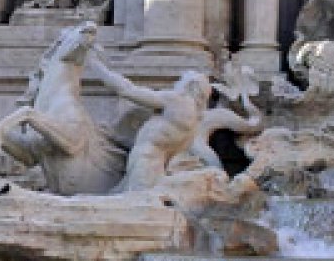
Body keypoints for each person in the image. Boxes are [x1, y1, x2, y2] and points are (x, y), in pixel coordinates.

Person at [88, 58, 259, 192]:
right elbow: (158, 139)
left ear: (190, 86)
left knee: (129, 207)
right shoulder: (193, 121)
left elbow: (127, 90)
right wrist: (114, 138)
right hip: (156, 166)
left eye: (180, 82)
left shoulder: (176, 101)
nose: (177, 85)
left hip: (145, 163)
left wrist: (96, 67)